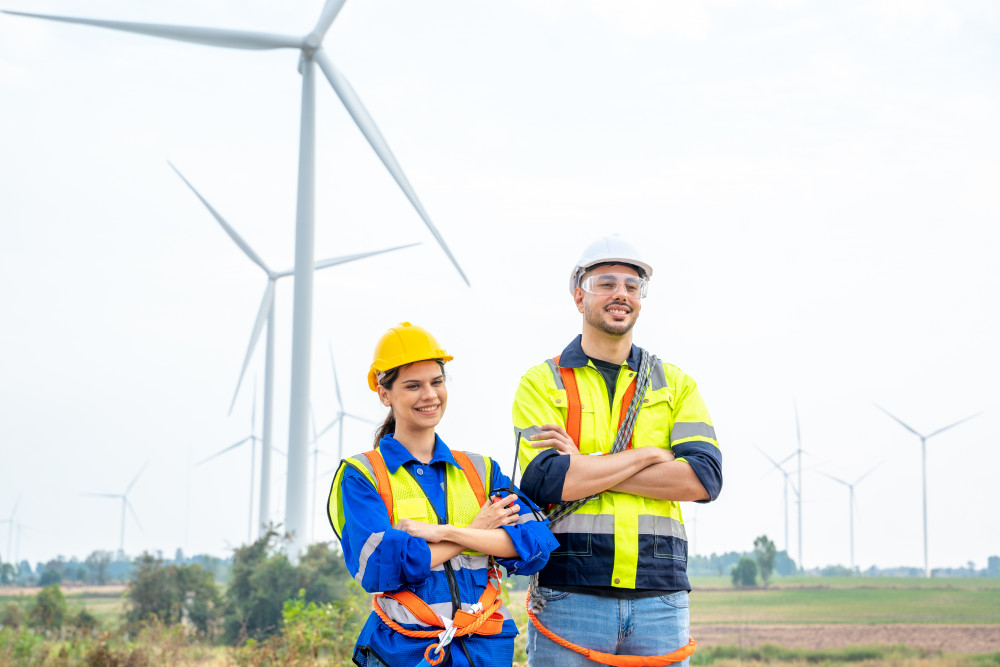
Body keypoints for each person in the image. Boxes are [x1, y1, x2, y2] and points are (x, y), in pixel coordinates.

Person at [511, 235, 723, 667]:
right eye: (606, 283)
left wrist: (586, 465)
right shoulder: (542, 382)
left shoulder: (676, 383)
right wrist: (651, 455)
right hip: (570, 595)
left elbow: (703, 479)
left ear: (641, 299)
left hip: (659, 599)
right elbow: (548, 480)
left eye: (632, 285)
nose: (621, 293)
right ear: (579, 296)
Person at [329, 322, 557, 667]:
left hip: (485, 651)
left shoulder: (482, 470)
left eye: (437, 382)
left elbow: (535, 545)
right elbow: (380, 567)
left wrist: (443, 534)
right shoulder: (362, 475)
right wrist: (480, 531)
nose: (430, 395)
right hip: (405, 653)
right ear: (384, 393)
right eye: (413, 386)